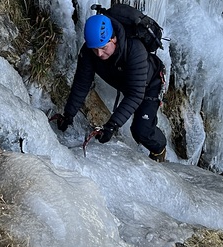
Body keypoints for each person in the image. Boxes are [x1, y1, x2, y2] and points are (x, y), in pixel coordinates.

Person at [55, 13, 167, 161]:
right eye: (95, 49)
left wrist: (112, 126)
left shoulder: (135, 50)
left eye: (103, 47)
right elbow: (82, 84)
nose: (99, 54)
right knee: (137, 127)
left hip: (149, 84)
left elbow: (135, 94)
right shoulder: (89, 52)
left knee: (141, 130)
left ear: (113, 39)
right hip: (126, 82)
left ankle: (159, 150)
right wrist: (68, 114)